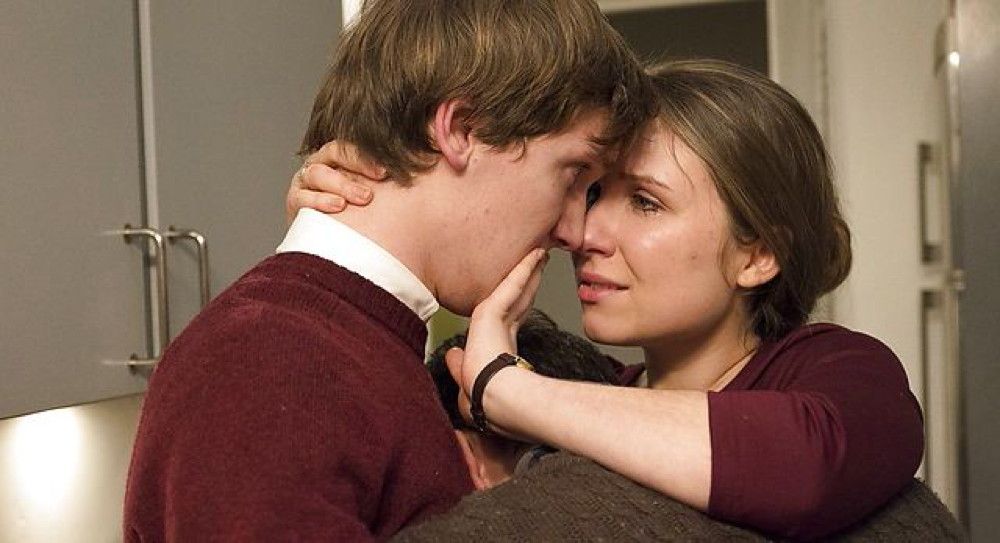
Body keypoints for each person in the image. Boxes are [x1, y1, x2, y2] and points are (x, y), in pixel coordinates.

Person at [288, 59, 927, 540]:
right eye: (593, 191)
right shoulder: (587, 389)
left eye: (646, 202)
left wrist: (509, 392)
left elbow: (805, 466)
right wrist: (346, 229)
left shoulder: (838, 372)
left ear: (759, 253)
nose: (587, 233)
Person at [122, 1, 651, 540]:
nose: (574, 232)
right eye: (572, 175)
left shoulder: (337, 340)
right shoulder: (269, 359)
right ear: (461, 130)